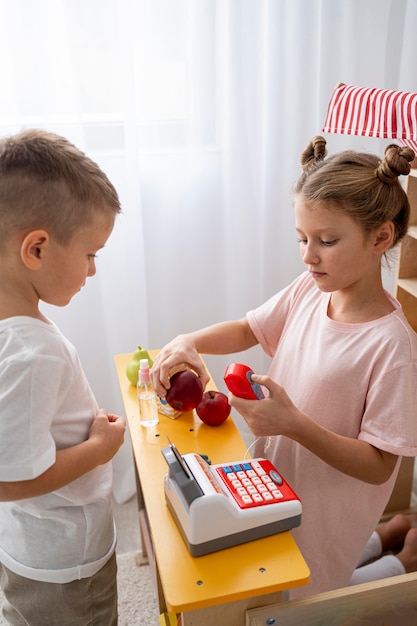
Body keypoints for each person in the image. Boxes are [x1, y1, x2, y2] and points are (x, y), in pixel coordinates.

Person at [151, 137, 417, 598]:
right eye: (302, 239)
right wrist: (190, 340)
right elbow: (246, 329)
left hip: (327, 506)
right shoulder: (312, 289)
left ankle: (401, 560)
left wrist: (293, 425)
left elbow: (379, 466)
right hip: (278, 477)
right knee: (280, 568)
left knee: (305, 589)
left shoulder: (393, 347)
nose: (308, 255)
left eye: (327, 241)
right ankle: (391, 535)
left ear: (380, 238)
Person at [0, 129, 126, 625]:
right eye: (91, 253)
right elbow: (11, 479)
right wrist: (102, 444)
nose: (93, 271)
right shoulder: (34, 352)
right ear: (36, 249)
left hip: (28, 545)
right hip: (64, 561)